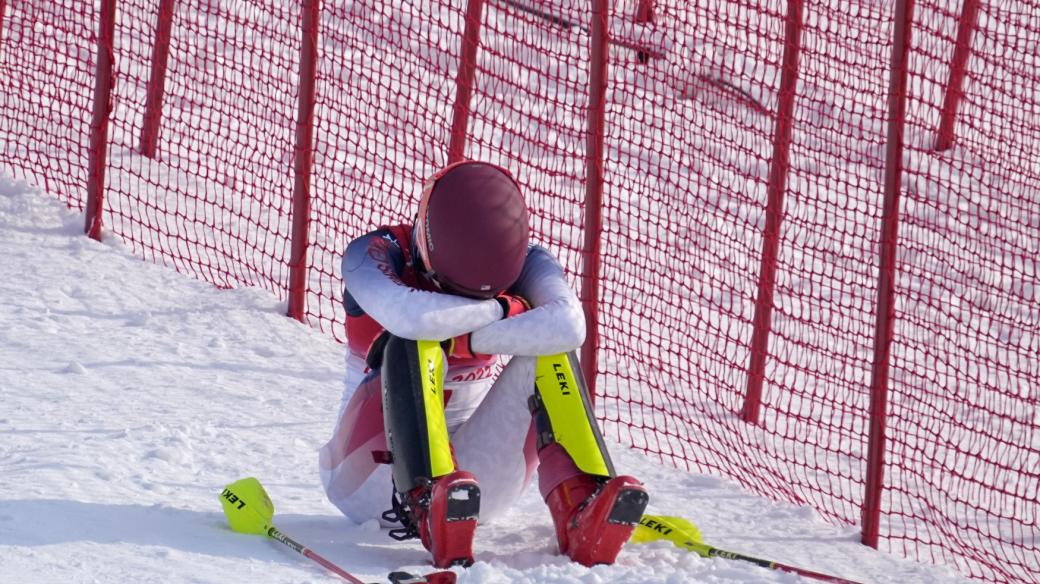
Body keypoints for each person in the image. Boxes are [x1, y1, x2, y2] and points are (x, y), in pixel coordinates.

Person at [319, 160, 649, 568]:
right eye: (450, 289)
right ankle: (426, 498)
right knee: (413, 340)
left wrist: (466, 329)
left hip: (472, 494)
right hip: (369, 480)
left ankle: (580, 504)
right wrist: (506, 310)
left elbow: (568, 325)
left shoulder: (531, 260)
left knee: (550, 349)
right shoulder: (373, 253)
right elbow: (414, 318)